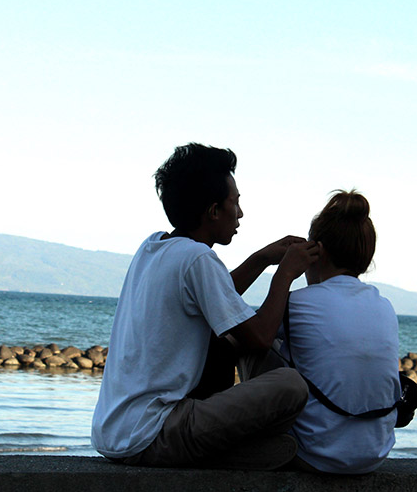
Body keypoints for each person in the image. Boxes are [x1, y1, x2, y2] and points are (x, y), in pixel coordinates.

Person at [91, 143, 319, 470]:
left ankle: (223, 451)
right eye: (234, 202)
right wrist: (284, 274)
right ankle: (226, 453)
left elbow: (215, 296)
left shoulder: (154, 247)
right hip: (155, 433)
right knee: (291, 386)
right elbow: (259, 338)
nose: (239, 213)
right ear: (213, 211)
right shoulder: (198, 258)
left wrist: (262, 259)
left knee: (224, 341)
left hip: (114, 434)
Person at [279, 190, 400, 474]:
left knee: (258, 348)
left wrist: (285, 274)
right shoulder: (384, 306)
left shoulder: (296, 303)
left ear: (316, 252)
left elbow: (250, 335)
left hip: (315, 455)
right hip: (375, 454)